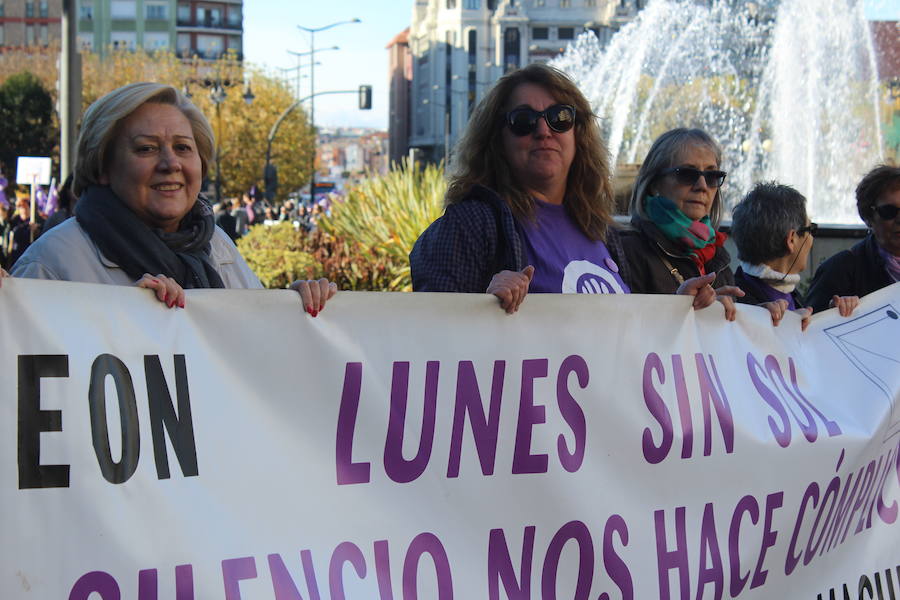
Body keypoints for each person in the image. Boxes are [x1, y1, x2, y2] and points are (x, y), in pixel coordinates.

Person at [410, 63, 723, 313]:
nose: (544, 130)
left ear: (578, 134)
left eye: (560, 118)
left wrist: (676, 307)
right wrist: (481, 305)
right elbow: (432, 341)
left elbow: (625, 337)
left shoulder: (602, 233)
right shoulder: (470, 226)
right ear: (497, 141)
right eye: (523, 120)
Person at [11, 82, 335, 315]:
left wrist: (292, 312)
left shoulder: (218, 244)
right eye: (146, 148)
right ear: (102, 168)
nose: (171, 164)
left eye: (182, 148)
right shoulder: (51, 263)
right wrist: (131, 320)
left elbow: (256, 345)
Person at [622, 128, 743, 319]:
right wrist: (679, 304)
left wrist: (764, 318)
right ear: (654, 183)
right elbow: (618, 328)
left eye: (712, 177)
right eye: (687, 174)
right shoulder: (626, 248)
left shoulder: (718, 255)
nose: (702, 186)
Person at [730, 182, 857, 328]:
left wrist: (832, 316)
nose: (811, 239)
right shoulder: (735, 307)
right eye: (811, 229)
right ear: (791, 239)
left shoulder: (785, 293)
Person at [805, 165, 900, 312]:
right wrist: (832, 314)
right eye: (889, 211)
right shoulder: (839, 270)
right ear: (868, 217)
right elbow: (809, 328)